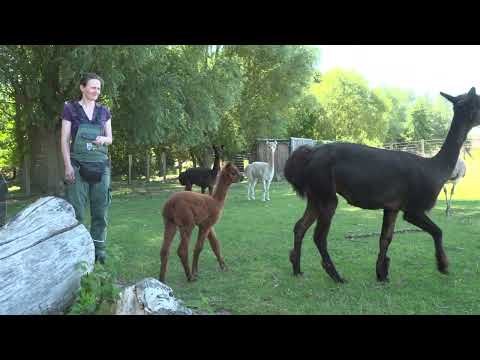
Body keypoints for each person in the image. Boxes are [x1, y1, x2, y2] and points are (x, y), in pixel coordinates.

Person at [60, 73, 113, 264]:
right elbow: (65, 140)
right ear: (82, 88)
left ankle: (99, 250)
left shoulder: (104, 111)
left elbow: (110, 138)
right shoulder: (70, 109)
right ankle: (76, 250)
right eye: (93, 87)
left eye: (98, 88)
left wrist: (103, 139)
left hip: (101, 166)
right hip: (77, 165)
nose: (96, 91)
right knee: (77, 211)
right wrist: (68, 166)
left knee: (100, 210)